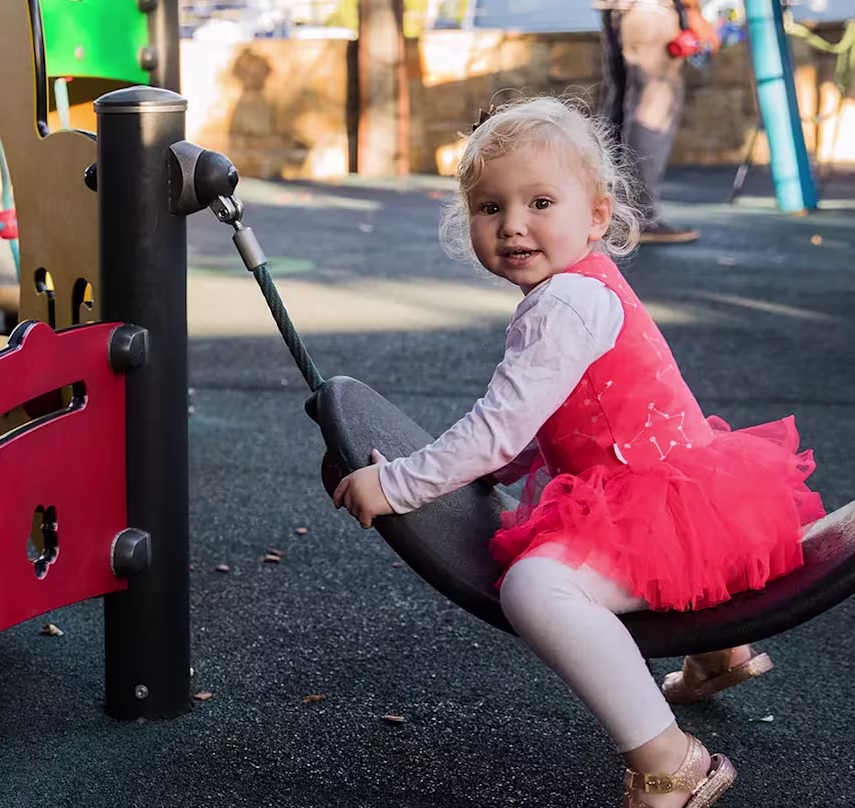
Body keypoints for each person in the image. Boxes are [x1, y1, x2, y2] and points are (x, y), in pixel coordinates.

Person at [330, 96, 825, 807]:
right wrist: (493, 470)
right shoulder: (578, 286)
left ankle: (671, 760)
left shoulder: (564, 304)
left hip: (660, 509)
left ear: (596, 215)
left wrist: (403, 485)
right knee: (568, 561)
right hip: (691, 496)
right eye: (489, 207)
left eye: (539, 201)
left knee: (538, 589)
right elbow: (543, 420)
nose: (513, 226)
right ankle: (719, 650)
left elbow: (501, 423)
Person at [596, 0, 721, 244]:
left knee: (617, 108)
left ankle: (607, 211)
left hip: (615, 8)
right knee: (652, 111)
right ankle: (639, 217)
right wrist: (693, 12)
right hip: (652, 10)